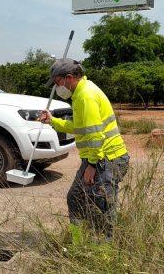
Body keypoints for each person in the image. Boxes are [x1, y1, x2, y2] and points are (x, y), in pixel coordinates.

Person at [39, 58, 129, 238]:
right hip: (98, 159)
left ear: (69, 77)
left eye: (57, 83)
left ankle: (104, 253)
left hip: (107, 160)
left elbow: (95, 135)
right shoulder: (80, 94)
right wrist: (53, 121)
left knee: (101, 207)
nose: (56, 88)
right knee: (76, 198)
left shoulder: (86, 96)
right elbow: (80, 127)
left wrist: (92, 165)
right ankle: (78, 243)